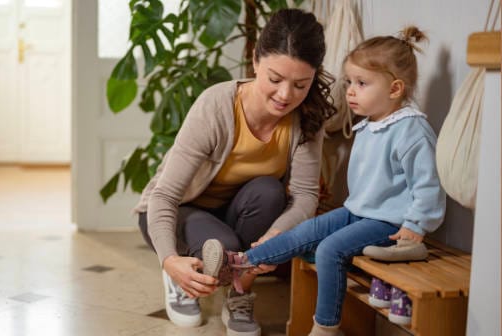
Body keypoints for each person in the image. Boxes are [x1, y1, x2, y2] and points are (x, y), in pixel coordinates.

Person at [202, 26, 446, 336]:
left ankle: (325, 328)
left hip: (390, 222)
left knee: (329, 249)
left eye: (361, 83)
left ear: (395, 89)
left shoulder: (410, 129)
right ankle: (240, 263)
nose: (350, 92)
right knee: (305, 231)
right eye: (349, 82)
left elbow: (427, 185)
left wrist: (415, 226)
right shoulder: (371, 124)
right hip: (358, 211)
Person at [133, 8, 336, 336]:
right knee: (223, 242)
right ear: (256, 61)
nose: (286, 96)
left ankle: (239, 292)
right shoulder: (216, 106)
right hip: (178, 209)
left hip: (235, 212)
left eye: (301, 84)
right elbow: (166, 195)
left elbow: (304, 196)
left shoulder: (308, 116)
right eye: (275, 79)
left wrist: (275, 236)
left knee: (270, 192)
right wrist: (168, 260)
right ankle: (182, 274)